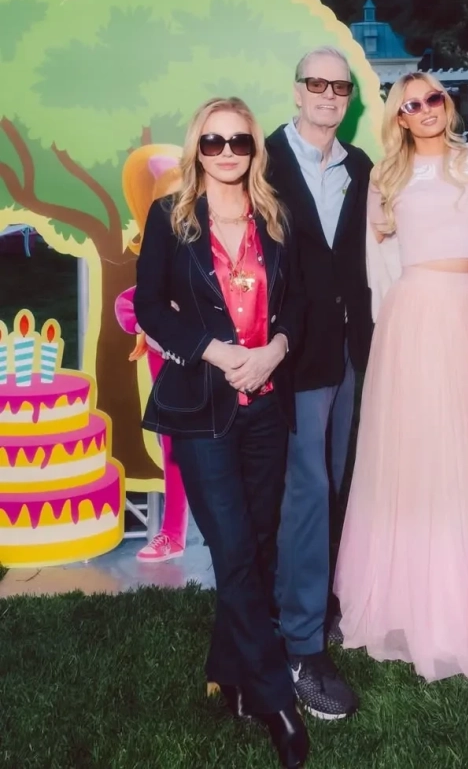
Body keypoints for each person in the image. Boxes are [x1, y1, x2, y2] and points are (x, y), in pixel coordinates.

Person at [134, 97, 309, 769]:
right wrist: (213, 350)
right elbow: (151, 306)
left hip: (266, 404)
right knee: (233, 550)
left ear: (254, 149)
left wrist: (276, 349)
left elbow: (298, 302)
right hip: (201, 409)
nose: (228, 151)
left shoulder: (275, 215)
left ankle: (229, 671)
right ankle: (276, 702)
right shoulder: (171, 216)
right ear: (198, 147)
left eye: (239, 140)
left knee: (257, 547)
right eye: (214, 141)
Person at [335, 71, 468, 683]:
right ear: (400, 119)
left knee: (462, 448)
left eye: (432, 98)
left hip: (466, 312)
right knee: (412, 453)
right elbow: (375, 264)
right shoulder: (386, 178)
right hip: (412, 317)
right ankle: (401, 600)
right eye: (410, 105)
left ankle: (456, 598)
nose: (425, 110)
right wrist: (385, 328)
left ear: (447, 103)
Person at [266, 47, 372, 721]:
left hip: (348, 351)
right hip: (290, 355)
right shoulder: (261, 159)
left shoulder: (359, 166)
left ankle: (312, 604)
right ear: (297, 90)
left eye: (341, 85)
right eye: (317, 83)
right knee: (305, 491)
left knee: (332, 484)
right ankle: (301, 646)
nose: (329, 94)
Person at [114, 146, 189, 562]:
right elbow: (131, 306)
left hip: (220, 366)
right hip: (172, 377)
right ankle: (173, 532)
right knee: (174, 446)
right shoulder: (155, 257)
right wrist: (154, 325)